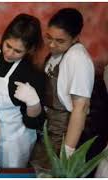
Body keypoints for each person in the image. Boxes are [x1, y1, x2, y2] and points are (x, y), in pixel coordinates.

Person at [0, 14, 45, 168]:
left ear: (30, 50)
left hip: (11, 143)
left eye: (17, 51)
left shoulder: (32, 74)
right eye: (7, 45)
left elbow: (34, 123)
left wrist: (34, 104)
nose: (9, 53)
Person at [31, 8, 95, 168]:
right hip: (48, 127)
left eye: (60, 41)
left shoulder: (78, 59)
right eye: (49, 37)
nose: (52, 44)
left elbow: (80, 108)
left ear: (75, 38)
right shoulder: (58, 53)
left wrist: (67, 153)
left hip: (63, 132)